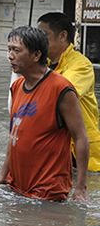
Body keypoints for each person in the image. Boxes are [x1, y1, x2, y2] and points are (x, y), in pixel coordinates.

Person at [0, 26, 88, 202]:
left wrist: (81, 187)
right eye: (9, 49)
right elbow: (14, 135)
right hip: (17, 184)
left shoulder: (61, 89)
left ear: (36, 55)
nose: (10, 56)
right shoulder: (17, 86)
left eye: (16, 50)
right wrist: (3, 174)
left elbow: (80, 137)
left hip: (48, 190)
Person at [37, 12, 100, 172]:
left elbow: (59, 92)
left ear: (63, 36)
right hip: (57, 146)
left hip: (81, 150)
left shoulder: (81, 65)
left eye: (44, 35)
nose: (39, 41)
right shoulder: (46, 64)